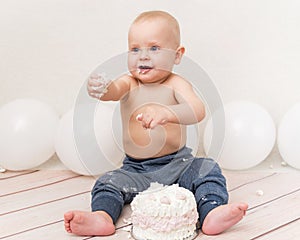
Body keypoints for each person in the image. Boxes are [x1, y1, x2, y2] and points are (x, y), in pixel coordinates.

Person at [64, 10, 248, 236]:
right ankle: (102, 217)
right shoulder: (129, 82)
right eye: (135, 49)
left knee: (207, 169)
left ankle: (212, 211)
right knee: (107, 183)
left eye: (154, 48)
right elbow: (114, 91)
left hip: (178, 164)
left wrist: (167, 112)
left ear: (177, 55)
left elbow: (197, 110)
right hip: (135, 169)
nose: (143, 56)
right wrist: (103, 88)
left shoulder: (177, 83)